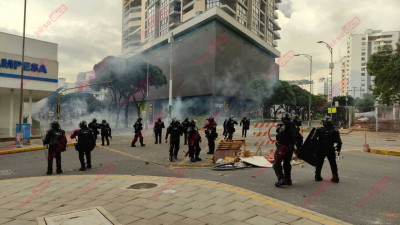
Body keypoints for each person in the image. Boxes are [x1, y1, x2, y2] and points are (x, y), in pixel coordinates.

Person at [273, 113, 303, 187]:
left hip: (283, 147)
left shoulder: (286, 126)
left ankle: (281, 179)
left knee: (276, 163)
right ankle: (288, 179)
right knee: (286, 163)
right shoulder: (293, 126)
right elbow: (300, 138)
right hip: (290, 148)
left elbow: (280, 136)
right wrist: (298, 148)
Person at [311, 116, 342, 183]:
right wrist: (338, 150)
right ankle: (335, 178)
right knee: (333, 164)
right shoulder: (335, 130)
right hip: (330, 148)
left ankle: (317, 176)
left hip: (321, 149)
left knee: (319, 163)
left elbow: (312, 139)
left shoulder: (319, 130)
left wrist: (317, 145)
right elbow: (339, 142)